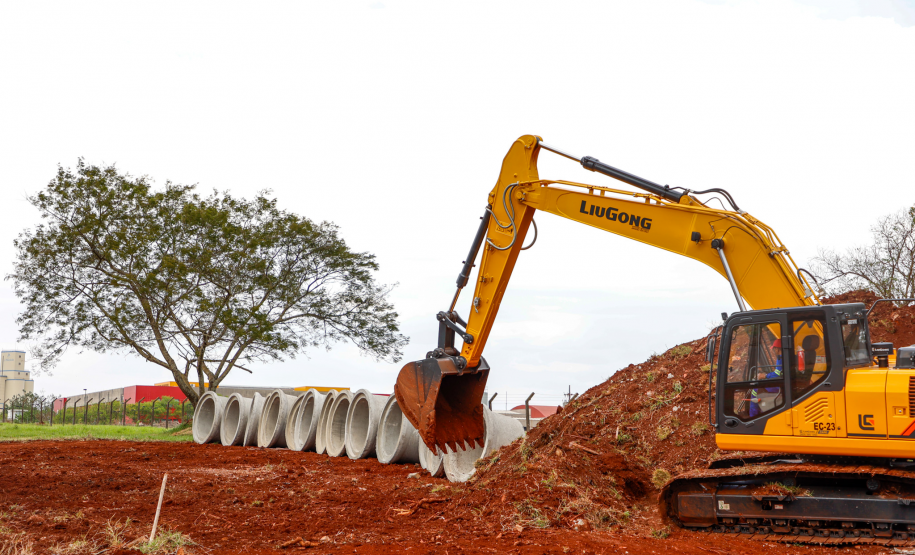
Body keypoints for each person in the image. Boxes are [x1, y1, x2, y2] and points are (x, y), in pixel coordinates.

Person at [748, 338, 783, 418]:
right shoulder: (783, 357)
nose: (773, 351)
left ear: (777, 349)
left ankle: (753, 416)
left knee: (756, 390)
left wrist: (764, 376)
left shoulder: (781, 359)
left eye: (774, 349)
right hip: (781, 382)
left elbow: (777, 374)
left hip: (780, 385)